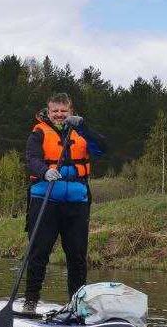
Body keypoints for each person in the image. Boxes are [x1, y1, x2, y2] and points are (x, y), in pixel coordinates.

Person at [23, 92, 106, 311]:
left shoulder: (81, 132)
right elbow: (31, 159)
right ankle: (30, 301)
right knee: (38, 253)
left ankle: (76, 304)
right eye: (55, 111)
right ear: (48, 112)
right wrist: (44, 172)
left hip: (77, 203)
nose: (59, 115)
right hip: (46, 200)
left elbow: (102, 149)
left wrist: (84, 128)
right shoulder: (38, 133)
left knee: (77, 256)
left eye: (63, 111)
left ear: (71, 111)